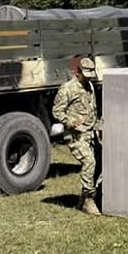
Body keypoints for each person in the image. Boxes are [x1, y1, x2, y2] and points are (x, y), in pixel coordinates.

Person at [52, 56, 102, 216]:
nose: (88, 78)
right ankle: (88, 199)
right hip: (75, 135)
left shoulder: (90, 87)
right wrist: (69, 122)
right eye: (85, 74)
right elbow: (57, 111)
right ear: (77, 72)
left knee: (97, 164)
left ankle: (83, 199)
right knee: (89, 161)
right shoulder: (67, 89)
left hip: (90, 133)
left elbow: (92, 110)